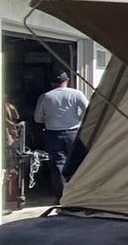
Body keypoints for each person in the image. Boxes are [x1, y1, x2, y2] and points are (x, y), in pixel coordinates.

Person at [34, 71, 89, 201]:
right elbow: (89, 110)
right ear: (67, 80)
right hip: (73, 133)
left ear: (52, 83)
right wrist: (78, 119)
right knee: (77, 163)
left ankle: (62, 196)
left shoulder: (46, 97)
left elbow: (38, 118)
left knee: (58, 164)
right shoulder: (77, 94)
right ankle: (79, 193)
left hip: (53, 134)